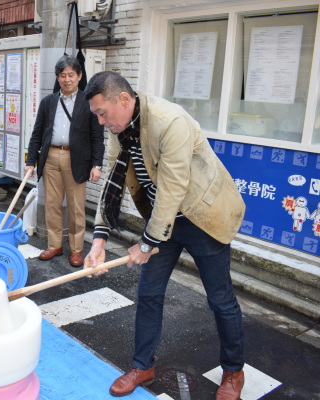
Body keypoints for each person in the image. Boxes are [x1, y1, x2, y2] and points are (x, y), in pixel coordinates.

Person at [82, 71, 246, 400]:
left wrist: (146, 243)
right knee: (149, 293)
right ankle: (143, 365)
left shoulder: (170, 121)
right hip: (164, 221)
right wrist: (98, 240)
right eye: (96, 115)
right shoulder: (120, 128)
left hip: (202, 215)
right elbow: (111, 180)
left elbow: (172, 190)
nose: (101, 121)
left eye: (102, 113)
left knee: (220, 299)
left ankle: (233, 370)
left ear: (123, 100)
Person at [25, 55, 104, 267]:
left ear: (79, 76)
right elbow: (37, 133)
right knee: (52, 204)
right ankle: (54, 245)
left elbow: (97, 136)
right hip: (50, 157)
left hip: (76, 159)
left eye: (71, 75)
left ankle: (77, 250)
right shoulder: (48, 102)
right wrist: (30, 161)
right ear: (58, 78)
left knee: (77, 207)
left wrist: (97, 164)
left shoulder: (88, 103)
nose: (67, 79)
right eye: (62, 75)